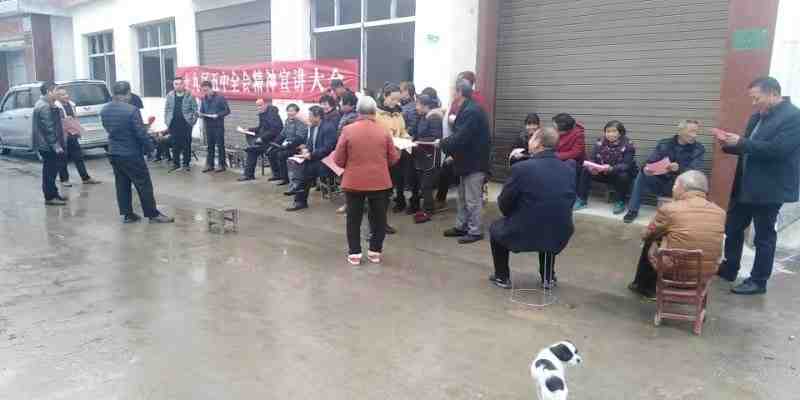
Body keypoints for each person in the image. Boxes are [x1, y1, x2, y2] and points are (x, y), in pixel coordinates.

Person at [716, 77, 800, 295]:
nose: (753, 103)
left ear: (773, 93)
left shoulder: (794, 117)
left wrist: (741, 142)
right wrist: (728, 144)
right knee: (733, 227)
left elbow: (778, 150)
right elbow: (749, 146)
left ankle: (758, 281)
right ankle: (729, 268)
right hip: (745, 185)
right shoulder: (758, 117)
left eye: (756, 98)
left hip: (769, 188)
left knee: (763, 236)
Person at [489, 128, 576, 289]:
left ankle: (502, 277)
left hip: (526, 230)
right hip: (561, 230)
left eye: (532, 138)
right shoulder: (569, 168)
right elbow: (568, 200)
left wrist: (512, 216)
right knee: (549, 223)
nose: (529, 140)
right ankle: (548, 278)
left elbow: (504, 203)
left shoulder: (521, 168)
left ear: (537, 143)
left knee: (495, 229)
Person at [628, 171, 725, 299]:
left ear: (682, 188)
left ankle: (645, 288)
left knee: (651, 240)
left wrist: (648, 235)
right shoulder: (720, 212)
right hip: (704, 275)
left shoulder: (670, 209)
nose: (672, 189)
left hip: (675, 273)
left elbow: (647, 234)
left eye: (674, 185)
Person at [334, 96, 400, 265]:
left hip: (354, 182)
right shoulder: (384, 131)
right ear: (374, 112)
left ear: (358, 111)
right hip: (379, 182)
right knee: (379, 219)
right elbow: (393, 159)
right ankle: (375, 252)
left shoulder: (348, 130)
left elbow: (338, 159)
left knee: (353, 218)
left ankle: (355, 253)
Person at [100, 81, 173, 224]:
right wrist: (151, 148)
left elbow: (108, 128)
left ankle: (127, 214)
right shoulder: (131, 110)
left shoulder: (105, 109)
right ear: (128, 93)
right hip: (131, 153)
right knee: (143, 184)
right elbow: (140, 133)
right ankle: (152, 214)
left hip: (114, 151)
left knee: (122, 184)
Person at [623, 120, 705, 223]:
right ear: (680, 131)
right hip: (660, 183)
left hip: (679, 187)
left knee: (693, 182)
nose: (694, 135)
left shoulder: (698, 149)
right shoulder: (664, 144)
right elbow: (650, 161)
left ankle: (686, 215)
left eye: (696, 132)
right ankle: (632, 210)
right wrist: (647, 168)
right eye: (691, 131)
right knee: (642, 174)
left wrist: (679, 169)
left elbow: (695, 171)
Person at [440, 79, 491, 244]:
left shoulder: (471, 111)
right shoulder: (467, 108)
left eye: (453, 90)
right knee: (462, 197)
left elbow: (461, 137)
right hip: (465, 161)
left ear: (459, 92)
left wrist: (442, 143)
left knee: (472, 199)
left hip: (474, 163)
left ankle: (475, 231)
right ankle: (461, 226)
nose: (451, 93)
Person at [574, 120, 636, 214]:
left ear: (620, 132)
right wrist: (592, 167)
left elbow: (627, 165)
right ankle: (582, 200)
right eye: (608, 131)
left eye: (614, 131)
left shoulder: (628, 145)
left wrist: (612, 168)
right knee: (586, 170)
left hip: (616, 174)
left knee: (623, 175)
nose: (610, 134)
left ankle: (620, 201)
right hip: (601, 172)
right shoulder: (600, 142)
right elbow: (592, 158)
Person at [286, 105, 338, 211]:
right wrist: (305, 151)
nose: (308, 118)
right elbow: (310, 143)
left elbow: (327, 148)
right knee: (296, 163)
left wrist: (311, 155)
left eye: (310, 116)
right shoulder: (313, 127)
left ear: (317, 117)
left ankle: (299, 198)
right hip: (315, 157)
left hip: (327, 160)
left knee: (305, 172)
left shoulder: (329, 128)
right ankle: (297, 190)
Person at [408, 94, 444, 223]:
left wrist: (418, 141)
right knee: (421, 184)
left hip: (430, 156)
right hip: (421, 155)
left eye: (418, 104)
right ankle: (426, 208)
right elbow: (416, 132)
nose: (416, 107)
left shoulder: (434, 118)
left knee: (426, 185)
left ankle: (428, 210)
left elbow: (436, 137)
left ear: (425, 106)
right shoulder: (421, 116)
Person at [55, 88, 101, 187]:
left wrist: (77, 130)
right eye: (62, 95)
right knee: (63, 158)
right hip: (62, 136)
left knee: (78, 157)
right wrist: (65, 120)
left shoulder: (71, 104)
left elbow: (75, 119)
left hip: (73, 134)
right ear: (57, 97)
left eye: (66, 94)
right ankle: (64, 179)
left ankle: (85, 178)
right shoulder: (56, 107)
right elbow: (57, 122)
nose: (66, 96)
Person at [376, 84, 411, 214]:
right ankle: (380, 208)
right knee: (383, 182)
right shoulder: (376, 113)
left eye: (398, 99)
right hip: (382, 153)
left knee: (399, 177)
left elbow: (403, 130)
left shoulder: (398, 113)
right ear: (385, 96)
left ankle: (400, 200)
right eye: (393, 99)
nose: (395, 102)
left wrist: (406, 137)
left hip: (397, 151)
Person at [33, 81, 68, 206]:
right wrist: (56, 145)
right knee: (49, 172)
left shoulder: (47, 104)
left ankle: (54, 194)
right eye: (56, 90)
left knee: (52, 171)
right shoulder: (44, 106)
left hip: (48, 144)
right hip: (48, 145)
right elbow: (48, 129)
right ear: (49, 92)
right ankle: (50, 197)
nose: (58, 92)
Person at [239, 98, 283, 182]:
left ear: (265, 104)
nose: (259, 107)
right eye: (257, 106)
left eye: (260, 105)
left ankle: (249, 175)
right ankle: (249, 175)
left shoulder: (272, 115)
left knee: (252, 150)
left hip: (273, 141)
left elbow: (274, 130)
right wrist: (249, 129)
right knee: (252, 150)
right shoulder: (262, 114)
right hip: (265, 140)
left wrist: (262, 138)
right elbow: (261, 128)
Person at [164, 76, 199, 172]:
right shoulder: (170, 95)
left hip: (186, 124)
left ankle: (186, 164)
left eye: (180, 84)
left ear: (184, 85)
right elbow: (167, 109)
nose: (178, 86)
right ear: (173, 85)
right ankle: (176, 164)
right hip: (173, 124)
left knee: (186, 144)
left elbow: (195, 109)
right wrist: (167, 121)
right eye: (176, 84)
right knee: (175, 144)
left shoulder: (190, 95)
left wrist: (192, 122)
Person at [269, 103, 307, 185]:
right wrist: (275, 142)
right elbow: (282, 134)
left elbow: (299, 138)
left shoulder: (300, 123)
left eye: (292, 111)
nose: (290, 113)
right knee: (271, 152)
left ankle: (285, 178)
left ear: (297, 112)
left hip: (297, 147)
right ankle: (277, 175)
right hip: (287, 145)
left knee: (281, 155)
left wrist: (288, 145)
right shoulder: (287, 121)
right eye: (288, 111)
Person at [199, 81, 231, 173]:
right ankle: (210, 164)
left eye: (206, 90)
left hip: (218, 125)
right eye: (203, 91)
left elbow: (227, 110)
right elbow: (202, 111)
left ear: (211, 88)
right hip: (208, 125)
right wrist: (200, 114)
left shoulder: (220, 98)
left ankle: (222, 165)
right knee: (210, 146)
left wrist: (217, 115)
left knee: (220, 145)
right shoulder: (204, 99)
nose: (205, 92)